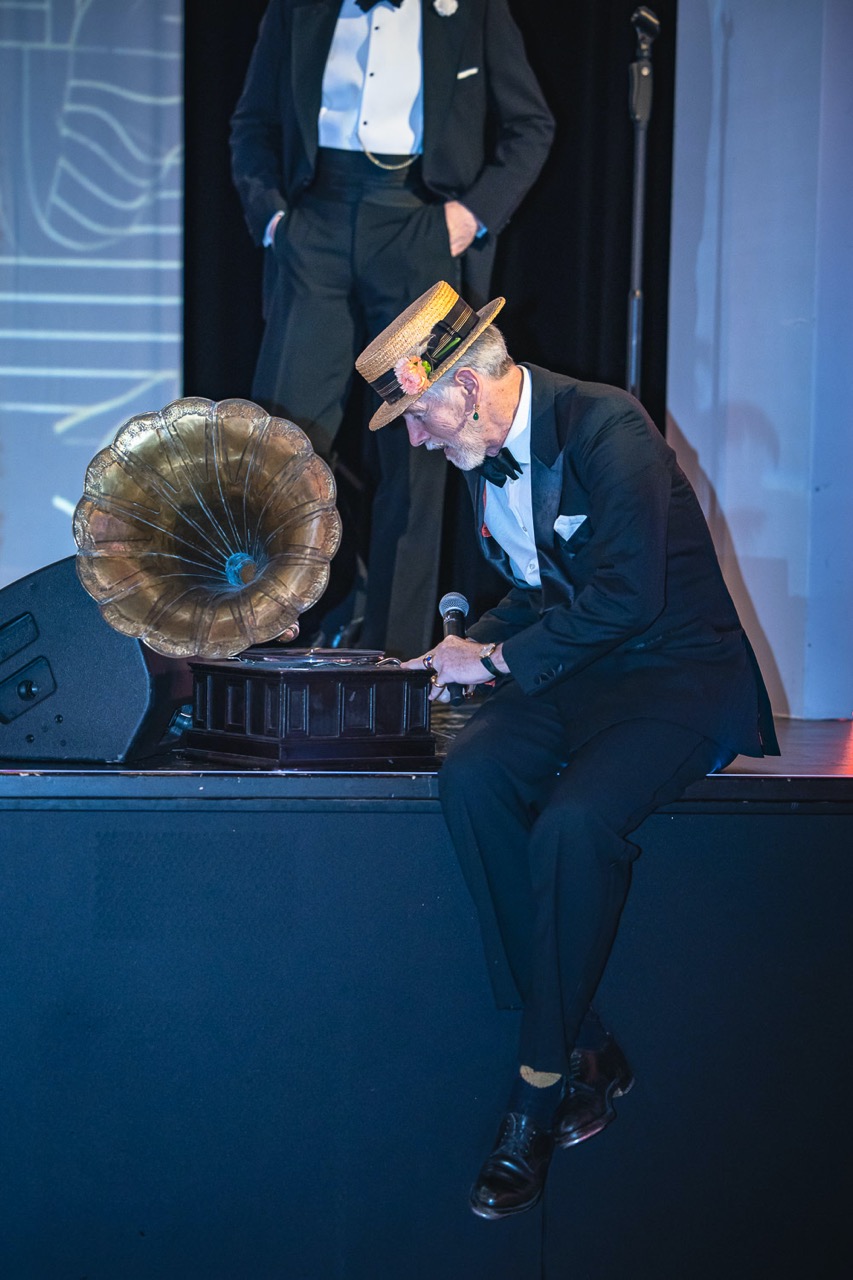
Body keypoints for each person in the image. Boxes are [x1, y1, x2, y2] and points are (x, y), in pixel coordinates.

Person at [354, 280, 780, 1219]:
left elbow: (627, 597)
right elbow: (541, 589)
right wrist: (463, 650)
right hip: (580, 672)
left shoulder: (606, 427)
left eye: (417, 415)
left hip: (674, 673)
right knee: (470, 777)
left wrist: (494, 660)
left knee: (573, 824)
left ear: (467, 387)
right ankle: (582, 1034)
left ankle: (537, 1091)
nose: (414, 440)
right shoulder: (478, 451)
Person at [229, 0, 554, 656]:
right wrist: (274, 223)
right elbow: (252, 122)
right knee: (281, 445)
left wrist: (467, 218)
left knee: (419, 451)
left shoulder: (473, 10)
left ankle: (394, 663)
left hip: (418, 227)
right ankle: (264, 649)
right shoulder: (297, 9)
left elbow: (531, 124)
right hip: (315, 223)